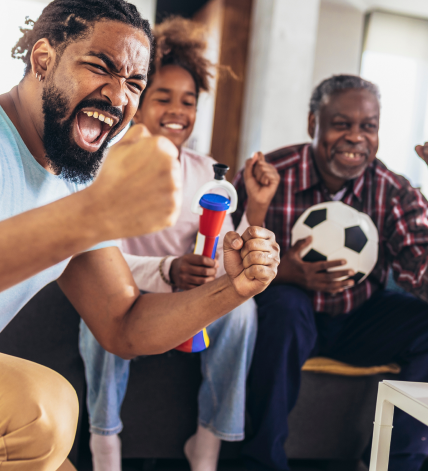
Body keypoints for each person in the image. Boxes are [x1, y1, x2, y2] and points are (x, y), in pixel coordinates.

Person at [0, 2, 280, 470]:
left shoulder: (72, 178)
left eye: (135, 84)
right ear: (43, 60)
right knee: (40, 409)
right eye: (100, 67)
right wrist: (93, 213)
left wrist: (233, 288)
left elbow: (123, 323)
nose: (119, 96)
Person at [232, 75, 428, 471]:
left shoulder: (393, 190)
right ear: (314, 124)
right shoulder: (272, 173)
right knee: (286, 307)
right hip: (288, 320)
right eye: (341, 124)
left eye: (368, 126)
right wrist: (284, 272)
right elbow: (230, 262)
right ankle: (263, 461)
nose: (355, 137)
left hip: (358, 318)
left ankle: (390, 464)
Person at [79, 17, 281, 471]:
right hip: (125, 292)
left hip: (184, 302)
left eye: (188, 101)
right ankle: (104, 447)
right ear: (138, 100)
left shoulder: (208, 173)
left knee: (243, 311)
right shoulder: (103, 165)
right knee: (103, 307)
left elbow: (232, 268)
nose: (177, 110)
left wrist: (259, 206)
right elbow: (90, 263)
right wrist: (168, 268)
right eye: (163, 97)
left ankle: (205, 451)